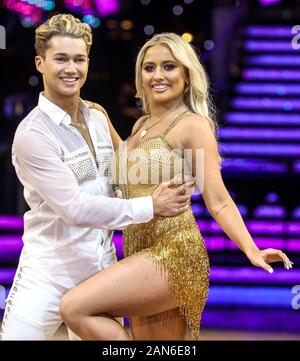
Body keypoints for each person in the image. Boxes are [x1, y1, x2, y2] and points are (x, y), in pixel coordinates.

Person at [59, 32, 293, 340]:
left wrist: (251, 249)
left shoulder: (192, 125)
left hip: (173, 252)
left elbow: (218, 199)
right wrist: (101, 117)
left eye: (168, 67)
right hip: (138, 249)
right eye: (149, 67)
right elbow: (125, 169)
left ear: (186, 74)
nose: (157, 75)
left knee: (74, 307)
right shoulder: (141, 126)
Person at [0, 17, 192, 341]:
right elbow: (75, 209)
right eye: (61, 59)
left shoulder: (98, 116)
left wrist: (173, 135)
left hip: (101, 273)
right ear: (40, 63)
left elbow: (126, 174)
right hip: (47, 275)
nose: (71, 69)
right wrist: (150, 206)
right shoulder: (32, 134)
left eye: (79, 59)